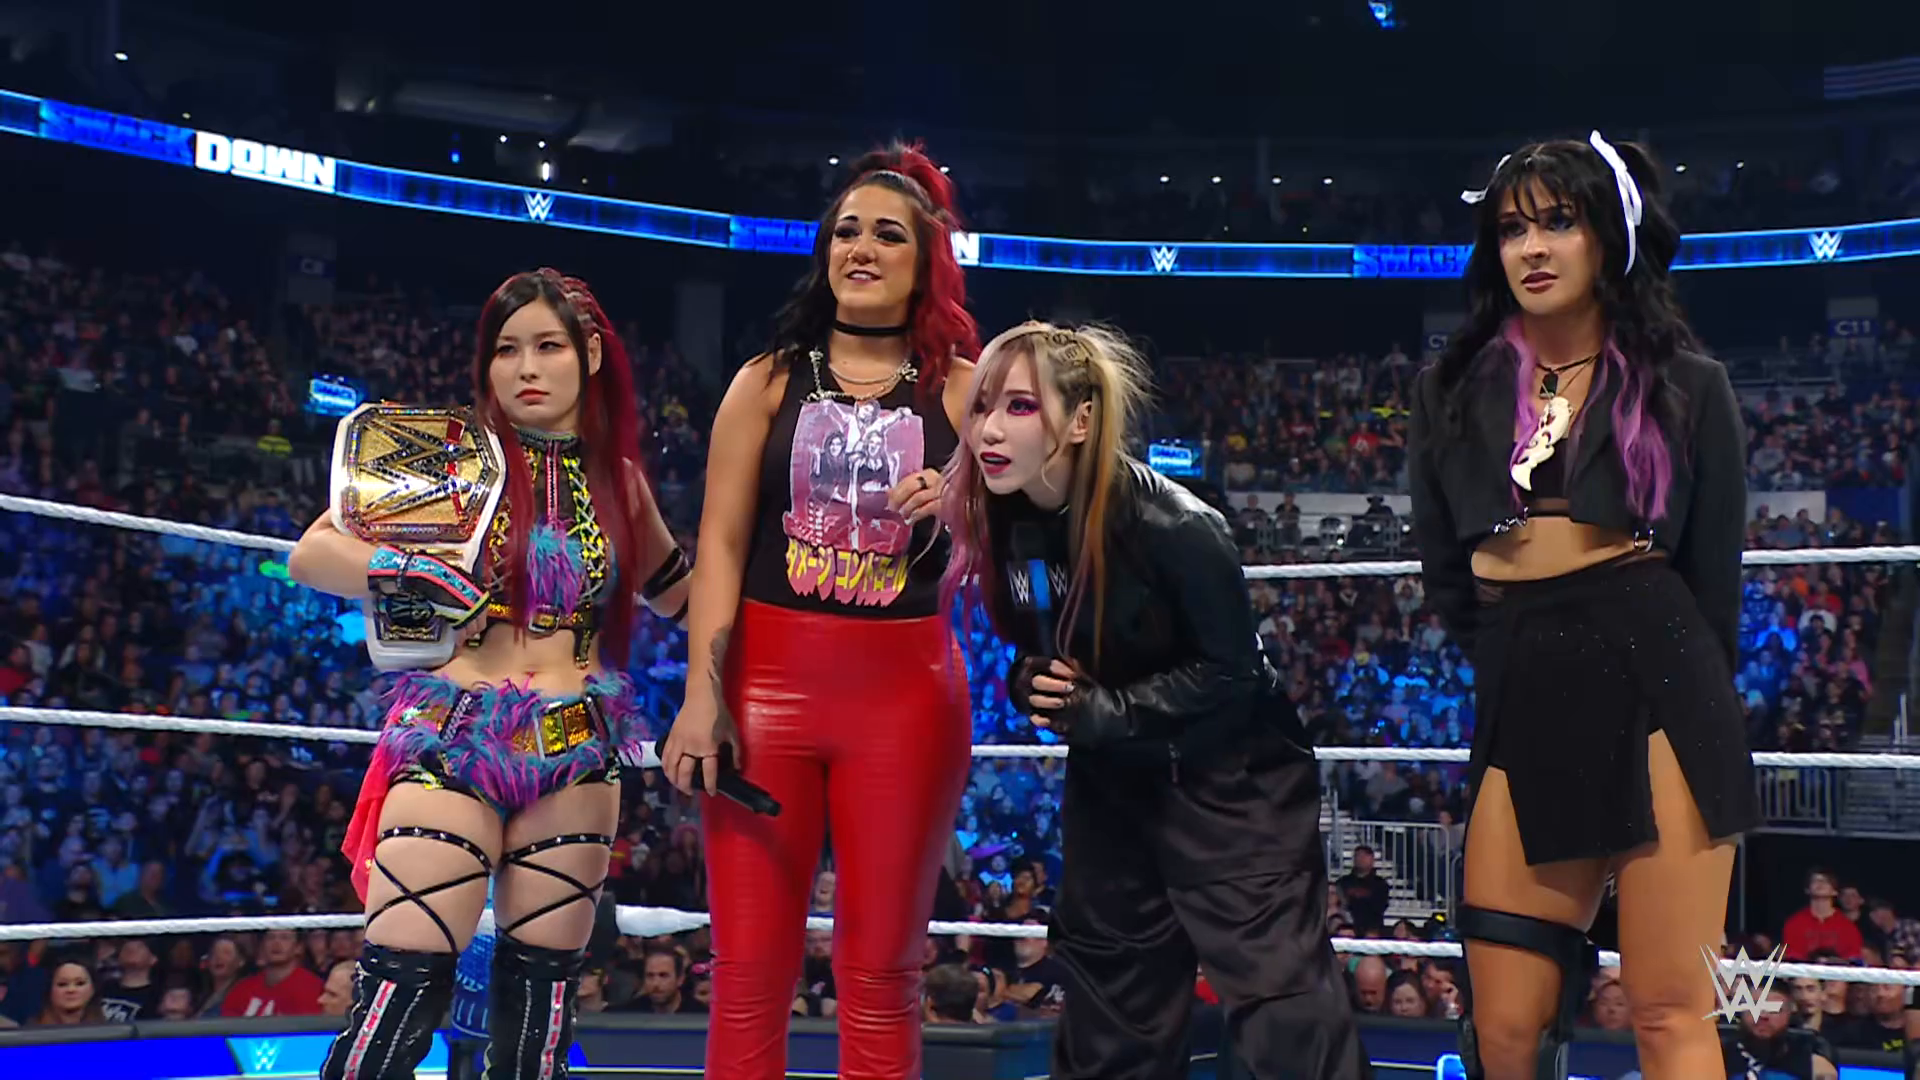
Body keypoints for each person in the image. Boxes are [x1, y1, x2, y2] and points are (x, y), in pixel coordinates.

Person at [1408, 132, 1759, 1079]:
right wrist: (1520, 638)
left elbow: (1714, 582)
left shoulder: (1690, 385)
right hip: (1525, 674)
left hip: (1664, 677)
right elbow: (1447, 574)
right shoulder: (1449, 392)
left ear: (1608, 236)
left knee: (1667, 1010)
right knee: (1505, 1028)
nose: (1532, 248)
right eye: (1511, 228)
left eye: (1558, 222)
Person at [941, 321, 1368, 1080]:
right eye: (981, 407)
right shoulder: (1008, 518)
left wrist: (1108, 711)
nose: (989, 430)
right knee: (1111, 1013)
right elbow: (1042, 640)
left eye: (1019, 406)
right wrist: (1032, 681)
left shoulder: (1177, 525)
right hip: (1113, 783)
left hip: (1231, 785)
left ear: (1081, 421)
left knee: (1287, 1012)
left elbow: (1233, 674)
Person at [292, 268, 690, 1079]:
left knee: (538, 1017)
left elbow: (684, 597)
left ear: (589, 355)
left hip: (577, 749)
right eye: (507, 350)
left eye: (547, 347)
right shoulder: (450, 459)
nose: (526, 369)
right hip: (454, 732)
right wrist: (410, 568)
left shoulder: (619, 482)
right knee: (396, 995)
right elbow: (313, 554)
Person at [659, 141, 977, 1080]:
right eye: (846, 232)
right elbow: (719, 546)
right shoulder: (763, 380)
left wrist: (965, 501)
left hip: (907, 697)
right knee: (748, 972)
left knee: (882, 972)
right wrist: (701, 697)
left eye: (888, 234)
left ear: (927, 260)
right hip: (763, 688)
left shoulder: (970, 389)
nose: (861, 249)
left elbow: (1040, 527)